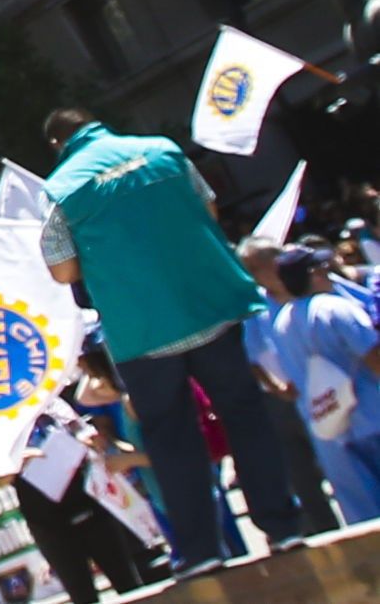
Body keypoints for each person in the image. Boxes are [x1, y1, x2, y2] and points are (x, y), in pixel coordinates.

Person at [37, 108, 313, 566]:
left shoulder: (61, 189)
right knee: (245, 414)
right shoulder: (163, 150)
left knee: (170, 438)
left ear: (57, 146)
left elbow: (62, 268)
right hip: (208, 306)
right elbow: (206, 207)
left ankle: (202, 552)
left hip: (142, 330)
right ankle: (283, 529)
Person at [246, 239, 380, 524]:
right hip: (372, 419)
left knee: (364, 516)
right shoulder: (335, 308)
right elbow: (374, 356)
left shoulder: (282, 321)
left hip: (331, 430)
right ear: (314, 274)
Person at [10, 356, 161, 604]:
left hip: (88, 502)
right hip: (47, 518)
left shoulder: (53, 405)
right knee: (82, 595)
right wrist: (14, 462)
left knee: (129, 584)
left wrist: (87, 438)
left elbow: (83, 430)